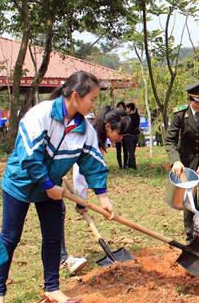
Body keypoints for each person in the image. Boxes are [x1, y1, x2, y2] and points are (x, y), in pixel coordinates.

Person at [0, 71, 115, 303]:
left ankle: (52, 289)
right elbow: (30, 158)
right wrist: (48, 185)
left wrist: (103, 196)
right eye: (92, 99)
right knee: (10, 237)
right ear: (76, 96)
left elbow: (92, 163)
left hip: (52, 188)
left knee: (53, 237)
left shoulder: (84, 130)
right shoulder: (40, 115)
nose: (93, 105)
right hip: (19, 183)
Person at [61, 107, 130, 275]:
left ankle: (61, 256)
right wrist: (81, 200)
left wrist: (82, 199)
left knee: (57, 212)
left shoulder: (96, 137)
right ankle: (62, 258)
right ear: (108, 127)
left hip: (57, 169)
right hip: (44, 173)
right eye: (120, 134)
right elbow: (80, 173)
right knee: (56, 212)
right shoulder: (89, 138)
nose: (121, 138)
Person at [164, 80, 199, 243]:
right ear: (191, 99)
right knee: (188, 198)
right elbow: (169, 141)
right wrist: (175, 161)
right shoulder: (180, 115)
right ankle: (190, 236)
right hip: (186, 164)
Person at [124, 103, 140, 170]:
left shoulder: (128, 117)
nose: (125, 109)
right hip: (136, 135)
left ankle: (133, 166)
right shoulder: (137, 115)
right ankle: (129, 165)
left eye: (126, 108)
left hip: (129, 135)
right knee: (132, 151)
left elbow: (127, 127)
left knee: (130, 152)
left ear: (129, 108)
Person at [115, 101, 126, 169]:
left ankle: (125, 165)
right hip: (117, 134)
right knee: (118, 151)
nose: (120, 109)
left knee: (125, 150)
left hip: (125, 134)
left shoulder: (126, 115)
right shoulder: (115, 115)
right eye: (119, 107)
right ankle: (120, 166)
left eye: (121, 107)